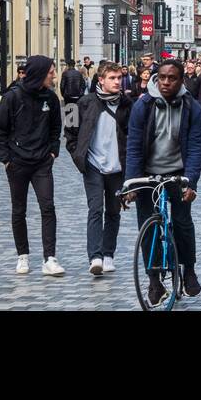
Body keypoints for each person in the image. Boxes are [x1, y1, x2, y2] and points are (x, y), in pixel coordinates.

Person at [125, 59, 201, 303]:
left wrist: (190, 183)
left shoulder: (193, 108)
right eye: (162, 77)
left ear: (182, 80)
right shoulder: (143, 106)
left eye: (172, 78)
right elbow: (134, 145)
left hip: (178, 172)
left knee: (182, 221)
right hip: (148, 174)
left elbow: (196, 147)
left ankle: (189, 269)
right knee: (147, 228)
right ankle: (153, 280)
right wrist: (131, 182)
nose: (166, 82)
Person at [0, 55, 64, 276]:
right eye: (51, 72)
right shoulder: (12, 97)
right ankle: (22, 256)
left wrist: (53, 151)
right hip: (17, 163)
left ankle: (49, 258)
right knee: (19, 210)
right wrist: (6, 159)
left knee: (48, 207)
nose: (54, 76)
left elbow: (55, 128)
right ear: (40, 73)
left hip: (42, 161)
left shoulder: (50, 99)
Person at [66, 62, 132, 276]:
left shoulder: (127, 104)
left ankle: (108, 254)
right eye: (112, 78)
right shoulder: (82, 103)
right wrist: (78, 157)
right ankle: (95, 257)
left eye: (119, 78)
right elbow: (69, 130)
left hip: (117, 167)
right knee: (95, 209)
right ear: (101, 80)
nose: (117, 82)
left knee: (113, 212)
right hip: (93, 166)